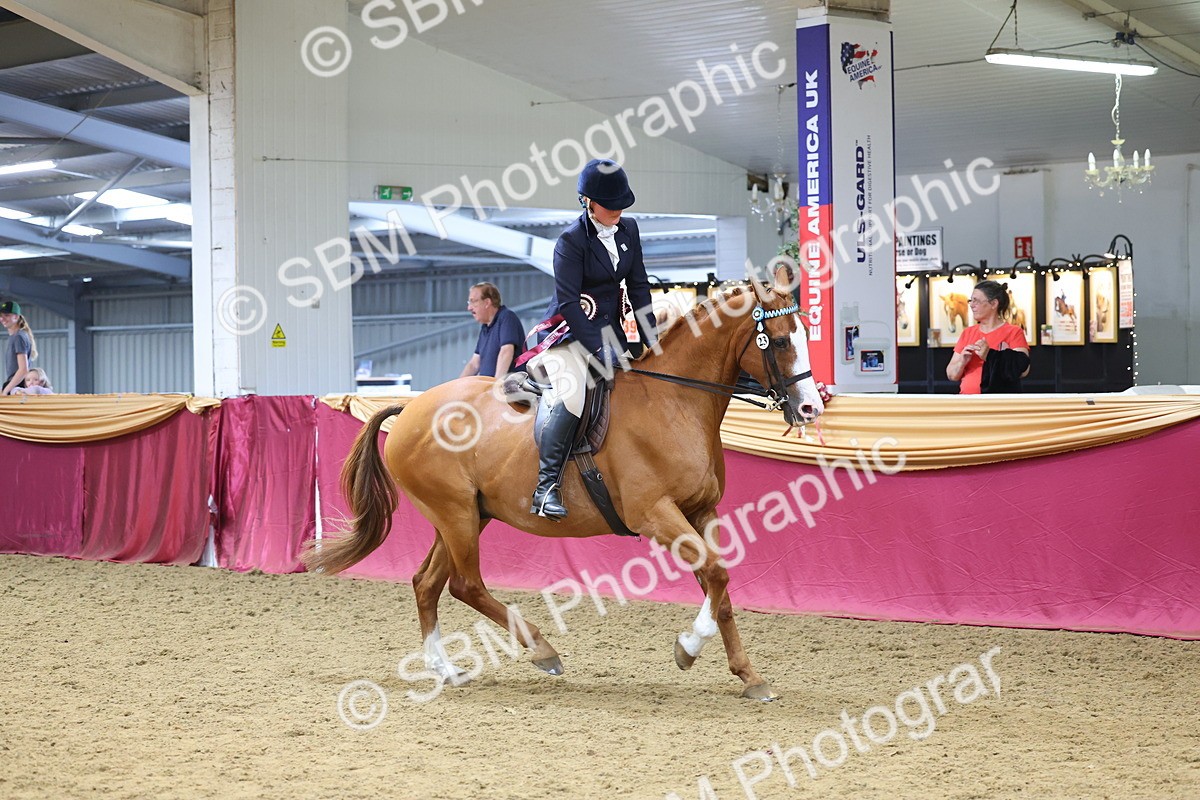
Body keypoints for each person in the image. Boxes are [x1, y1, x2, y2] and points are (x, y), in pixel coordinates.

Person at [519, 159, 656, 520]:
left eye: (621, 204)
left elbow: (639, 287)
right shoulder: (570, 242)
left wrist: (650, 337)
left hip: (613, 332)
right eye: (611, 205)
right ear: (588, 202)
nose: (618, 210)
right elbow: (569, 304)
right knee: (572, 392)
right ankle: (545, 487)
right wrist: (599, 349)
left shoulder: (629, 230)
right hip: (570, 335)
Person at [946, 280, 1030, 394]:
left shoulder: (1014, 332)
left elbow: (1023, 370)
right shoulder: (968, 333)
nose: (971, 305)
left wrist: (989, 355)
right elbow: (951, 375)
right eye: (971, 300)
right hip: (967, 404)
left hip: (997, 405)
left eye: (976, 301)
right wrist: (962, 361)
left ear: (994, 304)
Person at [459, 282, 525, 378]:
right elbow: (474, 364)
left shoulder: (506, 317)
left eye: (473, 301)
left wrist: (495, 385)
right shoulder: (485, 328)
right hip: (491, 389)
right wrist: (456, 387)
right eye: (469, 303)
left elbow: (506, 351)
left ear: (487, 303)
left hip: (509, 388)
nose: (469, 307)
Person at [1, 300, 37, 396]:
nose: (2, 319)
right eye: (1, 316)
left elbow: (23, 369)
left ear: (16, 317)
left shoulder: (18, 336)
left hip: (17, 385)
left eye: (7, 315)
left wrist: (6, 390)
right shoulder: (17, 336)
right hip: (15, 383)